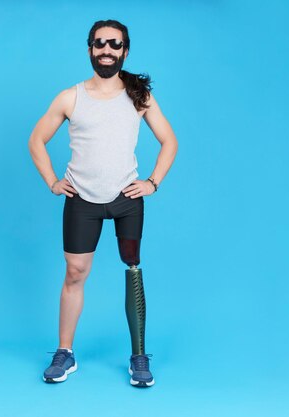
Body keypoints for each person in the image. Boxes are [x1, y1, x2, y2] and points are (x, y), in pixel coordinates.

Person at [28, 19, 178, 387]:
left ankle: (139, 357)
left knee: (132, 269)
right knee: (75, 273)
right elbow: (36, 140)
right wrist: (51, 181)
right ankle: (64, 353)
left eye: (114, 44)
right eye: (99, 44)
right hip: (82, 200)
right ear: (90, 49)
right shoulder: (70, 97)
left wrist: (153, 183)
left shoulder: (138, 96)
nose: (106, 50)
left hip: (126, 201)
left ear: (125, 50)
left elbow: (169, 141)